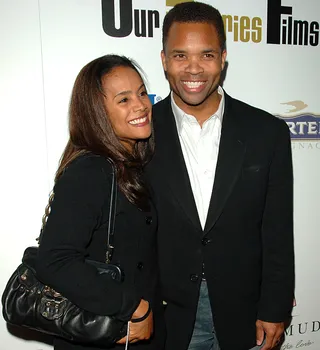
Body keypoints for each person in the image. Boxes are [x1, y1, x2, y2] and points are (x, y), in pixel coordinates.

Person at [146, 2, 294, 350]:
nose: (193, 69)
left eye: (207, 54)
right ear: (164, 59)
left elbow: (276, 230)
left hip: (245, 314)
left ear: (223, 57)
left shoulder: (266, 132)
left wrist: (275, 307)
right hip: (165, 315)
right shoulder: (140, 133)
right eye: (180, 55)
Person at [35, 55, 165, 350]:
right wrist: (134, 306)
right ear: (98, 112)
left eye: (142, 93)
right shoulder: (91, 169)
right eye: (123, 100)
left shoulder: (132, 164)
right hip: (102, 336)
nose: (141, 105)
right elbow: (55, 260)